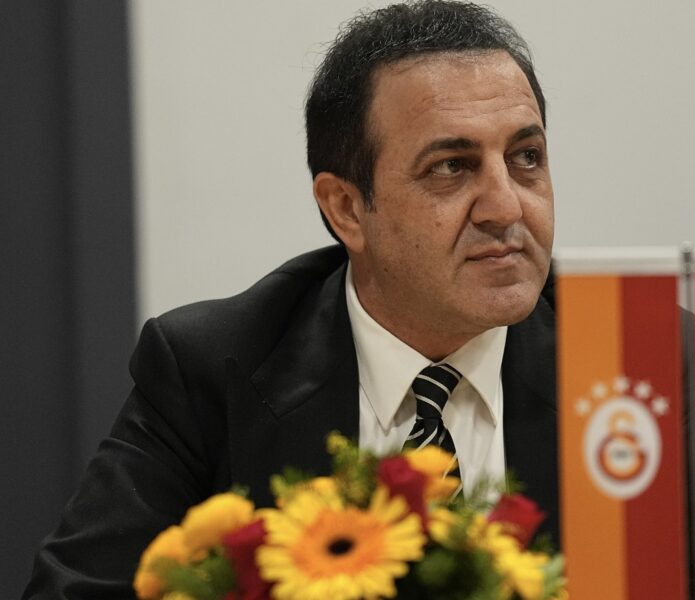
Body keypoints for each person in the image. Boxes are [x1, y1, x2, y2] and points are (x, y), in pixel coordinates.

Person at [23, 2, 558, 597]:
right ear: (346, 209)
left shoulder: (627, 359)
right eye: (451, 167)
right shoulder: (216, 371)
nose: (505, 207)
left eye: (526, 158)